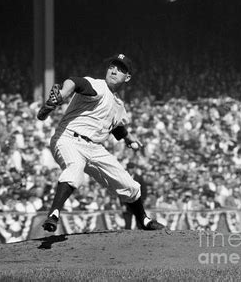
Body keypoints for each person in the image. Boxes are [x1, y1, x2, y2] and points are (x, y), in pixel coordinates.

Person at [37, 53, 164, 232]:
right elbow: (75, 82)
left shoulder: (119, 105)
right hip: (68, 139)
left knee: (130, 186)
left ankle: (143, 220)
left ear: (127, 77)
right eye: (112, 66)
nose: (114, 70)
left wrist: (128, 138)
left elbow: (115, 125)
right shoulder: (98, 86)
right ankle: (53, 214)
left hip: (94, 147)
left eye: (120, 69)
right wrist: (63, 94)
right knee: (75, 169)